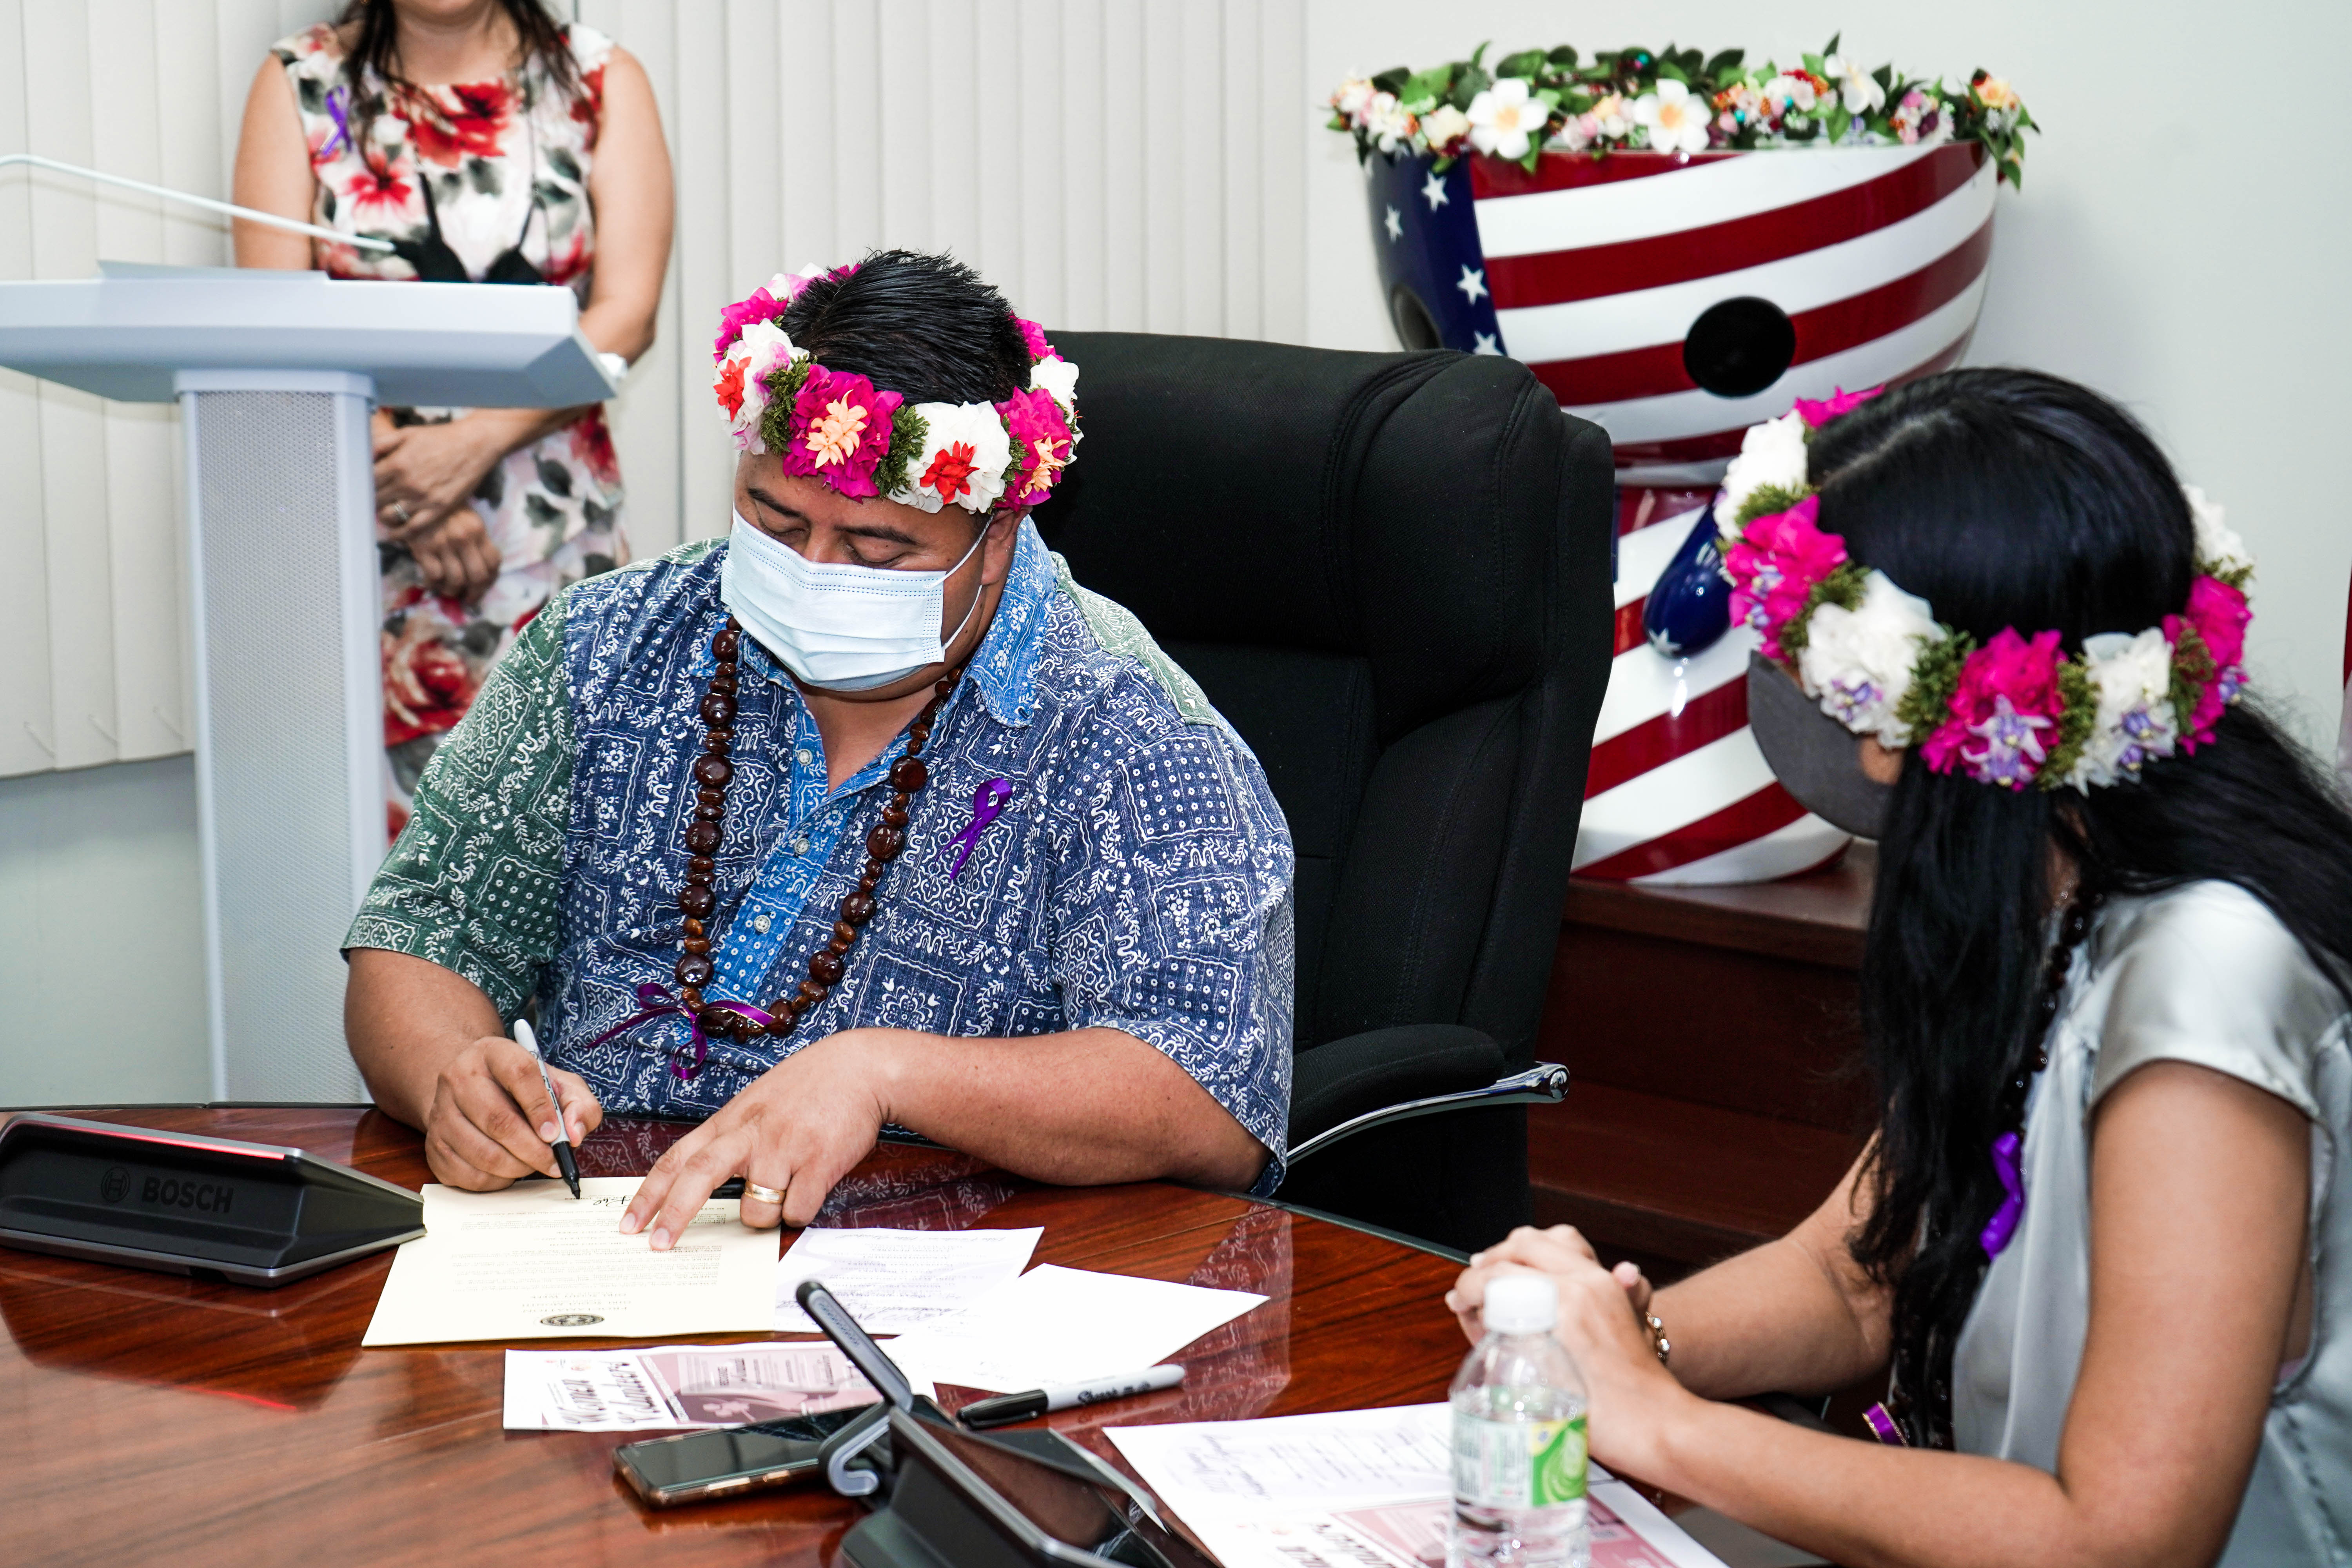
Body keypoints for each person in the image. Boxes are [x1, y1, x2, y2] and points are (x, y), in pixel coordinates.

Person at [1450, 370, 2350, 1566]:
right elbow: (1856, 1277)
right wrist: (1592, 1340)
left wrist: (1656, 1422)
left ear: (1889, 721)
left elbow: (2122, 1539)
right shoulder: (2045, 900)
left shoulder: (2209, 982)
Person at [343, 251, 1295, 1245]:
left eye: (879, 550)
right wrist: (454, 1072)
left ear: (999, 535)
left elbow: (1210, 1090)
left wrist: (880, 1071)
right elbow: (418, 934)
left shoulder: (1128, 728)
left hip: (931, 1300)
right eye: (775, 519)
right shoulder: (605, 643)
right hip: (589, 1255)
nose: (812, 574)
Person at [232, 0, 673, 835]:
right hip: (360, 522)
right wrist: (409, 489)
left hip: (547, 525)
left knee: (557, 833)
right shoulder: (304, 84)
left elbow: (627, 314)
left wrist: (472, 444)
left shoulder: (597, 80)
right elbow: (272, 323)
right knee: (376, 852)